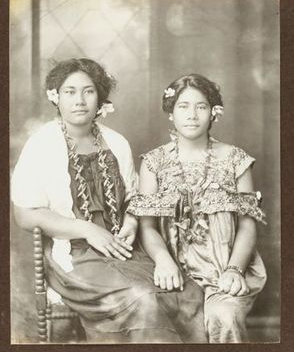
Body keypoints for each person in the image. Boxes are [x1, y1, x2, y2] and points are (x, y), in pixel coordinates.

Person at [11, 59, 207, 343]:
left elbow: (134, 199)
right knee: (141, 299)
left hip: (125, 250)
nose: (79, 100)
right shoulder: (42, 144)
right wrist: (87, 229)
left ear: (100, 97)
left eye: (88, 91)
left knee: (187, 295)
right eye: (70, 92)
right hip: (74, 256)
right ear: (55, 96)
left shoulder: (117, 143)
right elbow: (25, 215)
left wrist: (130, 220)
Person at [127, 74, 267, 343]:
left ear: (214, 112)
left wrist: (234, 269)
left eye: (201, 107)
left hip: (225, 267)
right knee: (153, 314)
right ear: (171, 113)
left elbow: (248, 225)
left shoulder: (235, 159)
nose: (192, 115)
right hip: (172, 270)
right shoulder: (154, 163)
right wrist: (163, 260)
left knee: (223, 316)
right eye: (183, 106)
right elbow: (147, 225)